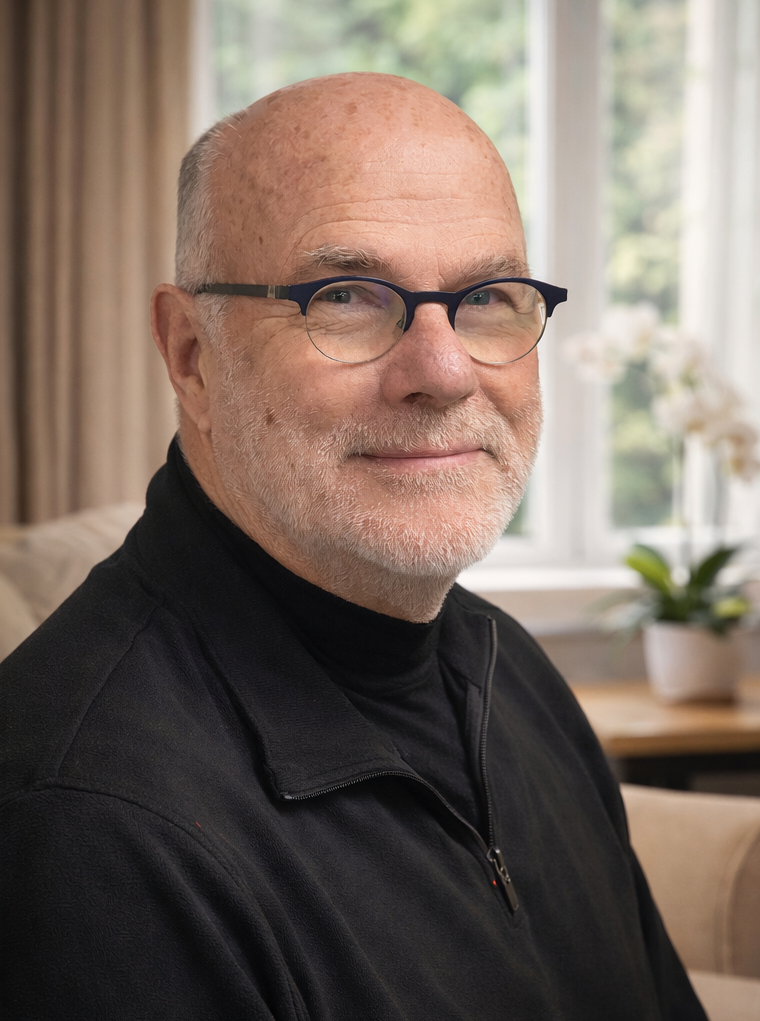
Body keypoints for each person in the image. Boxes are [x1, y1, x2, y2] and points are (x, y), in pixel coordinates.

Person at [0, 73, 706, 1020]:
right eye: (345, 296)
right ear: (192, 355)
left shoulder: (511, 670)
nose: (443, 370)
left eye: (488, 296)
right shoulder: (87, 829)